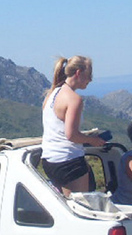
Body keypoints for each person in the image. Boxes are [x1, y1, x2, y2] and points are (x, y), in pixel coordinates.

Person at [41, 56, 106, 195]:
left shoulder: (51, 94)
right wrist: (93, 140)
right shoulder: (74, 99)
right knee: (81, 208)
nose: (90, 79)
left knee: (66, 206)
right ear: (78, 73)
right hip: (69, 161)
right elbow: (71, 135)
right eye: (89, 75)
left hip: (49, 160)